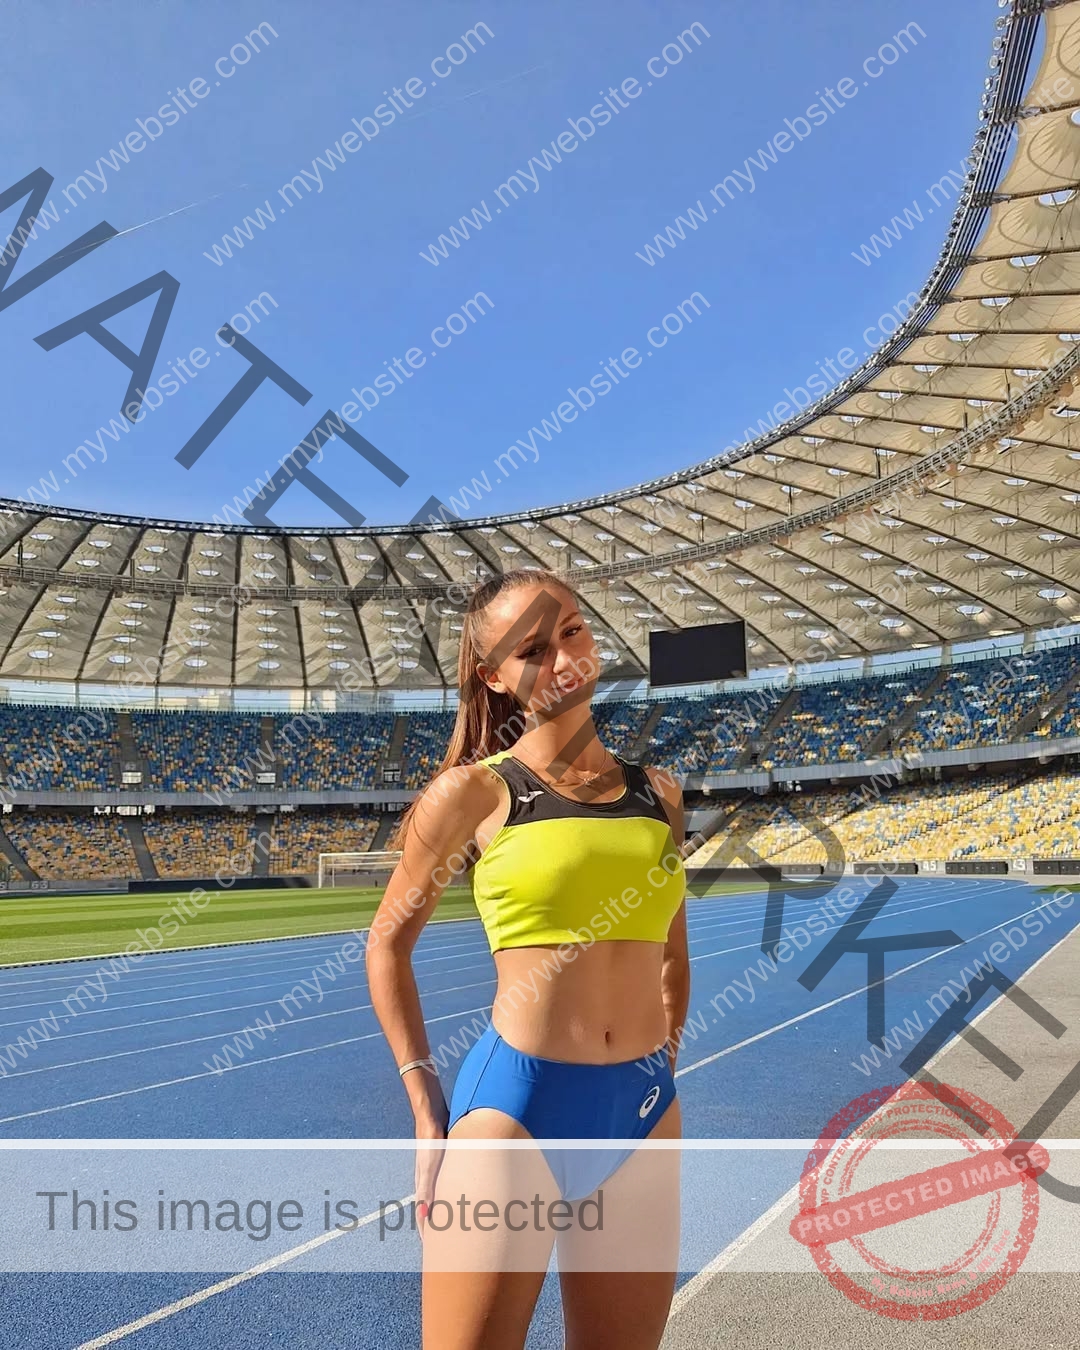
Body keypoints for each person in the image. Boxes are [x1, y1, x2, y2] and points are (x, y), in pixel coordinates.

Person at [367, 568, 690, 1350]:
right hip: (518, 1112)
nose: (563, 658)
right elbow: (387, 945)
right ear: (494, 676)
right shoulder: (471, 795)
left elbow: (672, 956)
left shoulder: (662, 794)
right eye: (532, 650)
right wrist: (425, 1107)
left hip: (644, 1112)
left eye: (572, 631)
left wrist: (660, 1061)